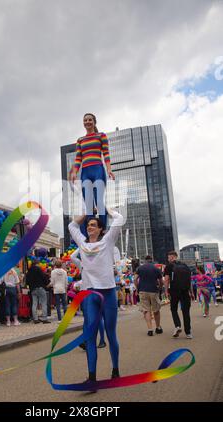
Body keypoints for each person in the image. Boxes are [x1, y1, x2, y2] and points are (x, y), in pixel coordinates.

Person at [69, 206, 124, 383]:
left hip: (108, 293)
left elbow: (119, 218)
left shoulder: (107, 241)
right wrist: (85, 212)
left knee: (110, 333)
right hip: (90, 295)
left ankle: (115, 370)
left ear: (101, 229)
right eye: (88, 225)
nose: (89, 227)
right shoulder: (82, 244)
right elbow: (72, 226)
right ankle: (92, 378)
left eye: (93, 224)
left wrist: (105, 209)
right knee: (90, 336)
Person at [70, 113, 115, 237]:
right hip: (85, 173)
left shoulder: (101, 136)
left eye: (90, 120)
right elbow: (78, 158)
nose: (87, 122)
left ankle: (102, 230)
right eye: (85, 120)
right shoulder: (80, 140)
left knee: (99, 202)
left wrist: (109, 170)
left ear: (94, 122)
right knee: (89, 204)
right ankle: (89, 231)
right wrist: (74, 173)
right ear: (83, 123)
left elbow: (106, 154)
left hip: (98, 171)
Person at [164, 251, 194, 339]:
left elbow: (166, 280)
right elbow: (189, 280)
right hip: (185, 291)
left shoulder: (169, 266)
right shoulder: (185, 266)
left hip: (174, 291)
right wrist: (191, 292)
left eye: (169, 257)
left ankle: (177, 326)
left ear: (172, 257)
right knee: (186, 311)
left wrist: (166, 291)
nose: (168, 259)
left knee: (173, 309)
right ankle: (188, 333)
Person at [134, 256, 163, 336]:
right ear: (152, 261)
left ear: (145, 261)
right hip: (154, 290)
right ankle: (158, 328)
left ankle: (150, 329)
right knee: (156, 310)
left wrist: (137, 288)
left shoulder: (140, 268)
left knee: (146, 310)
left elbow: (135, 279)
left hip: (143, 291)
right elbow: (161, 281)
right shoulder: (156, 269)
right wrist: (159, 288)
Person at [26, 260, 51, 324]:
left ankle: (35, 318)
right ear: (37, 264)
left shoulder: (28, 271)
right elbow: (44, 277)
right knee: (43, 303)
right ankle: (44, 318)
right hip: (40, 287)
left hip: (33, 289)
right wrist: (47, 283)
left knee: (34, 304)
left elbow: (27, 281)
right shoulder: (38, 269)